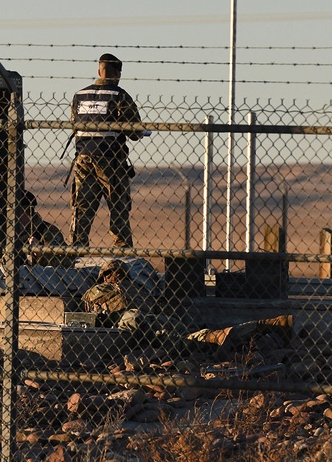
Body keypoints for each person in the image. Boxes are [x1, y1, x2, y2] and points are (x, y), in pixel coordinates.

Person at [82, 259, 294, 352]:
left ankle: (224, 335)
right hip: (160, 319)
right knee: (191, 333)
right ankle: (263, 324)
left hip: (137, 326)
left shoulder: (95, 292)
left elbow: (86, 318)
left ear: (104, 277)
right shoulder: (138, 287)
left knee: (192, 340)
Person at [69, 53, 144, 249]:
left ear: (98, 71)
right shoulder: (119, 96)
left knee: (82, 208)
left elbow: (74, 126)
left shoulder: (79, 96)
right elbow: (134, 131)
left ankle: (77, 249)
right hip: (110, 159)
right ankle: (122, 251)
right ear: (117, 73)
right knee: (118, 206)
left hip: (83, 158)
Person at [18, 191, 71, 268]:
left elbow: (66, 262)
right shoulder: (9, 232)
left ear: (30, 213)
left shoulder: (47, 232)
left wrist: (40, 254)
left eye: (21, 213)